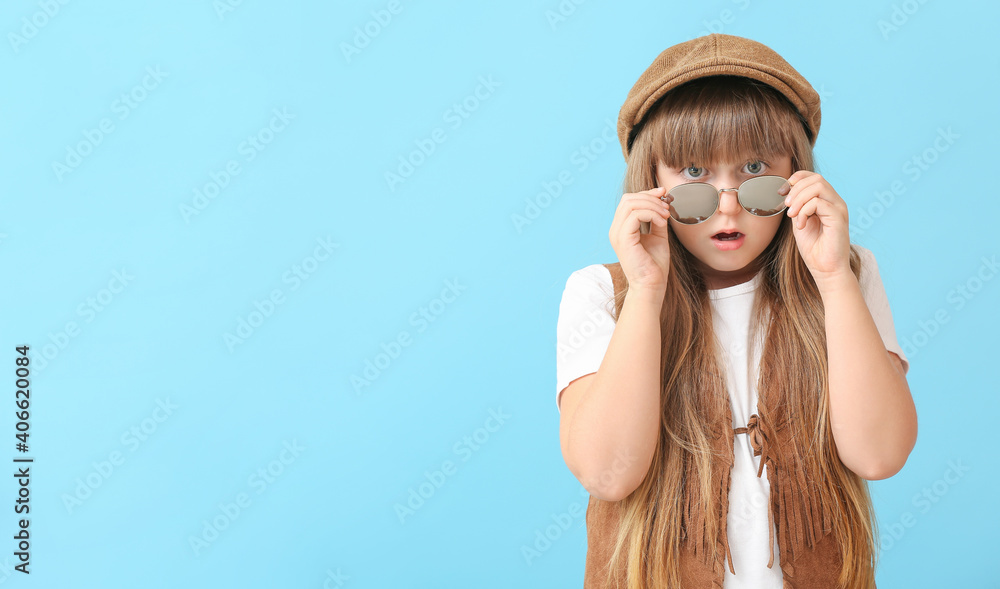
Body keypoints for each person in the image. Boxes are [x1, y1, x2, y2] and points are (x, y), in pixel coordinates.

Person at [555, 34, 917, 588]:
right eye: (694, 176)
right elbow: (608, 473)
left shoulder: (847, 273)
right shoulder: (602, 293)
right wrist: (648, 293)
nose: (727, 202)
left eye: (755, 169)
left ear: (797, 177)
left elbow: (880, 455)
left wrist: (833, 280)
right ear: (652, 186)